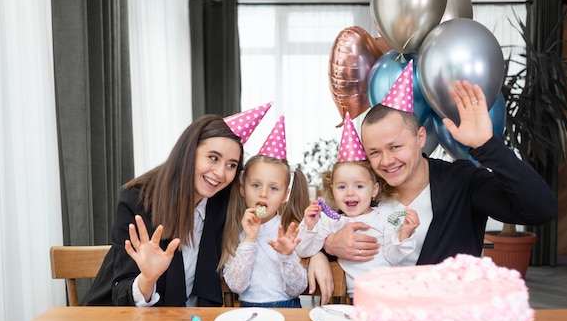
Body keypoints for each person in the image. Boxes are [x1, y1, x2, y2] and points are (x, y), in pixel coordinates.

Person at [308, 62, 558, 303]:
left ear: (420, 137)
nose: (386, 161)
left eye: (395, 147)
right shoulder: (366, 191)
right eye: (374, 152)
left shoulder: (462, 181)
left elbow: (540, 208)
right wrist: (322, 250)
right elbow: (330, 231)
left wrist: (488, 147)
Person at [81, 103, 272, 307]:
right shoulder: (138, 201)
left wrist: (311, 254)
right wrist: (148, 278)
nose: (220, 173)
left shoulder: (223, 201)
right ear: (189, 152)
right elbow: (121, 292)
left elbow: (271, 217)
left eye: (231, 165)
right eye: (213, 158)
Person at [295, 114, 419, 296]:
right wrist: (310, 226)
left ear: (374, 189)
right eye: (342, 186)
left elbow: (394, 256)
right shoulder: (330, 222)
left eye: (359, 186)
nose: (350, 193)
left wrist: (404, 234)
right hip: (357, 297)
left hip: (392, 293)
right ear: (333, 189)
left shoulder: (385, 216)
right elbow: (303, 249)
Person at [220, 116, 310, 308]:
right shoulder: (235, 233)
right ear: (243, 188)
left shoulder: (290, 231)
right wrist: (249, 240)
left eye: (273, 188)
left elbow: (298, 289)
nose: (263, 193)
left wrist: (286, 256)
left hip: (289, 310)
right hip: (249, 311)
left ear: (285, 195)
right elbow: (236, 286)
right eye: (255, 185)